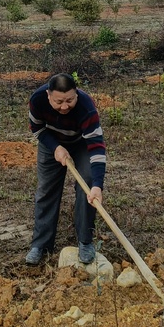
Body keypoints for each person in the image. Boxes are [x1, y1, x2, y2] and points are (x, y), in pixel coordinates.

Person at [25, 73, 106, 265]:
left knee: (87, 184)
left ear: (76, 94)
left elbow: (96, 147)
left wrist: (97, 185)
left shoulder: (86, 108)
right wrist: (55, 147)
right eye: (59, 101)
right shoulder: (37, 100)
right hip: (50, 142)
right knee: (46, 189)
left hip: (81, 143)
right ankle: (41, 245)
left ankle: (85, 241)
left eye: (70, 100)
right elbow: (37, 128)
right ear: (48, 95)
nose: (64, 106)